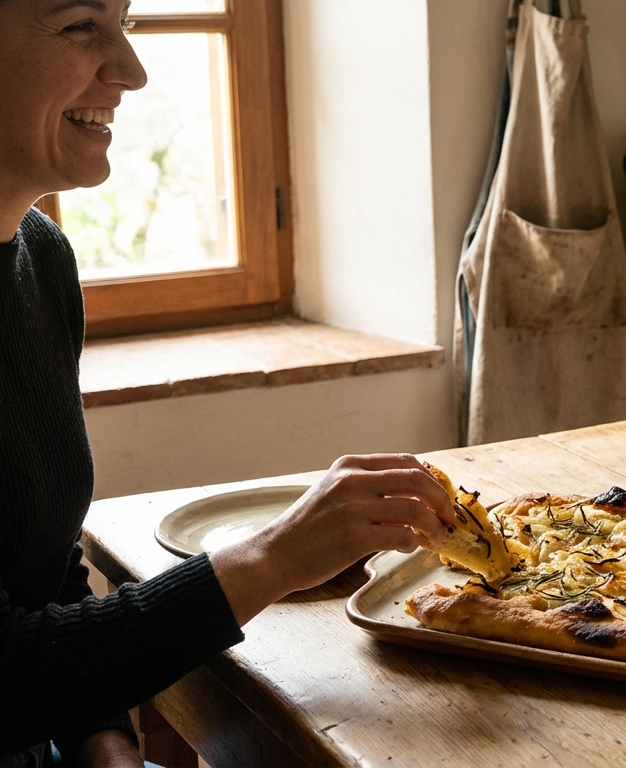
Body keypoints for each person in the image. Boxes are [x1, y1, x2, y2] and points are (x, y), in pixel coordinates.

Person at [0, 1, 457, 762]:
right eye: (81, 25)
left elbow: (43, 575)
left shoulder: (41, 260)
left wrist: (106, 746)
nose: (132, 71)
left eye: (127, 23)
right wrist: (270, 557)